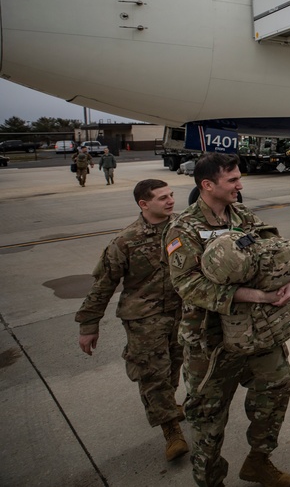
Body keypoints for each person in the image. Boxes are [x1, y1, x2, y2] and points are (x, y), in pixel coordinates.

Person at [165, 153, 290, 487]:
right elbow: (187, 285)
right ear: (207, 185)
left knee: (277, 387)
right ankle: (211, 480)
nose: (240, 185)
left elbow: (274, 252)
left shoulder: (242, 215)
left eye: (239, 178)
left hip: (255, 330)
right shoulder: (183, 229)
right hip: (210, 341)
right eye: (232, 180)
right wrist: (255, 296)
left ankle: (258, 461)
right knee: (208, 416)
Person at [75, 179, 187, 462]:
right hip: (144, 319)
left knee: (174, 364)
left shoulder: (184, 228)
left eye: (171, 195)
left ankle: (168, 404)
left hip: (181, 313)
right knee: (152, 373)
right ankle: (171, 431)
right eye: (162, 198)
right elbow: (103, 284)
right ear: (144, 204)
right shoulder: (125, 241)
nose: (171, 201)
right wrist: (89, 325)